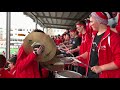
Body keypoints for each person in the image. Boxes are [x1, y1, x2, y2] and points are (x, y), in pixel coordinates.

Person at [86, 12, 120, 78]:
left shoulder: (113, 37)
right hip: (91, 74)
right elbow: (91, 54)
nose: (90, 25)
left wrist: (101, 68)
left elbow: (119, 61)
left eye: (91, 22)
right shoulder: (93, 35)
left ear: (99, 21)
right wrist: (78, 59)